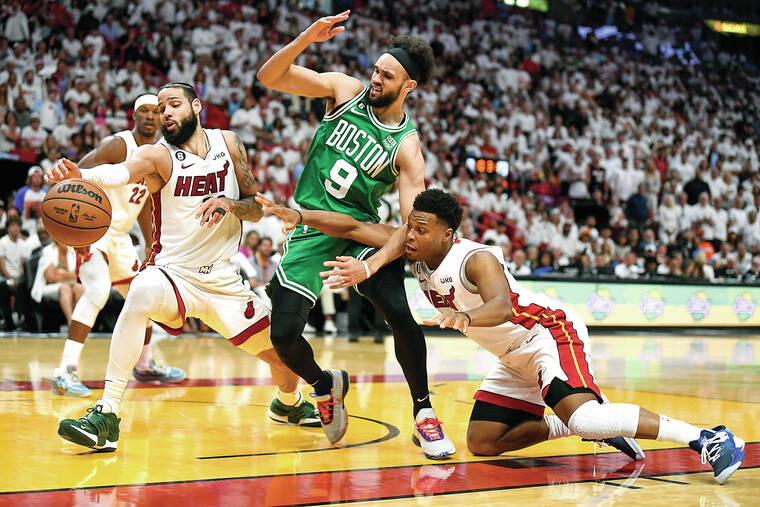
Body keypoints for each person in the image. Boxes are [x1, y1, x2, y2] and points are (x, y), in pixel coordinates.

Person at [256, 189, 746, 485]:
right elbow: (352, 224)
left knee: (588, 414)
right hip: (510, 357)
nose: (410, 235)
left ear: (447, 234)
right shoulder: (416, 249)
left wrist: (464, 322)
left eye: (421, 229)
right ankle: (584, 426)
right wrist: (294, 214)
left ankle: (707, 438)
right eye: (409, 227)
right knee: (484, 443)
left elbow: (502, 307)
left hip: (547, 336)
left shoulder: (475, 258)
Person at [47, 82, 319, 452]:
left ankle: (288, 405)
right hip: (173, 272)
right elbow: (120, 173)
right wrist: (80, 175)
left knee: (285, 357)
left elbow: (255, 207)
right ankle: (107, 414)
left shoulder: (229, 143)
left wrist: (230, 204)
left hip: (224, 280)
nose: (165, 114)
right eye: (161, 109)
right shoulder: (158, 155)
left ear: (196, 106)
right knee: (140, 291)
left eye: (173, 105)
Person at [256, 11, 454, 456]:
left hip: (359, 233)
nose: (375, 78)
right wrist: (307, 37)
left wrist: (370, 265)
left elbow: (411, 224)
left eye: (386, 75)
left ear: (409, 87)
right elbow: (270, 77)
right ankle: (326, 385)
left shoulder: (406, 144)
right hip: (309, 226)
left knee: (398, 313)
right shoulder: (345, 91)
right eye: (375, 69)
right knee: (283, 337)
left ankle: (424, 413)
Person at [50, 94, 186, 397]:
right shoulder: (119, 144)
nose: (151, 116)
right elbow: (77, 174)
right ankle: (64, 371)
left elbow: (149, 210)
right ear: (134, 116)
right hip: (94, 228)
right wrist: (74, 223)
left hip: (122, 236)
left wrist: (155, 248)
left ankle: (146, 365)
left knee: (145, 294)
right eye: (145, 111)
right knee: (96, 291)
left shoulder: (160, 155)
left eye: (157, 111)